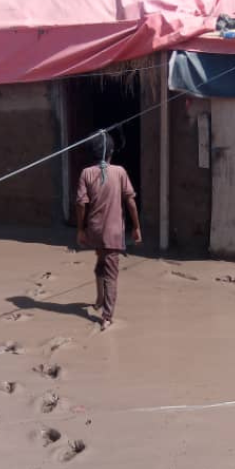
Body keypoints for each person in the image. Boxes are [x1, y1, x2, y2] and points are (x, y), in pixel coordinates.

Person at [75, 132, 141, 330]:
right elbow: (130, 200)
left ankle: (98, 299)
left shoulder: (86, 173)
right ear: (111, 152)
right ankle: (106, 316)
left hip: (95, 231)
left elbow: (80, 204)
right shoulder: (119, 172)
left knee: (101, 261)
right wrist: (136, 227)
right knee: (111, 273)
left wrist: (80, 229)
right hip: (113, 233)